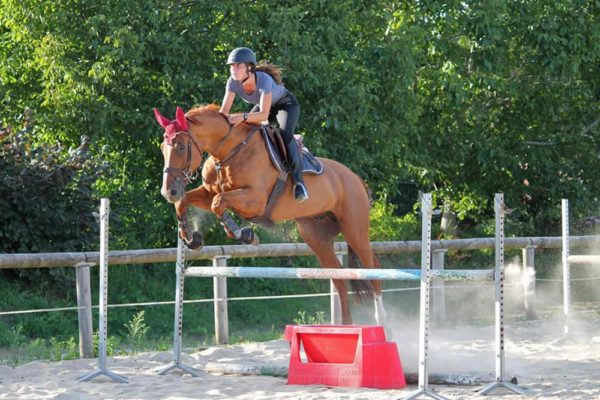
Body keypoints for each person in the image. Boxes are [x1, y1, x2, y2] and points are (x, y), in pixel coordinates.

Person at [219, 47, 309, 203]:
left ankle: (299, 182)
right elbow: (224, 112)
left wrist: (242, 116)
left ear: (249, 67)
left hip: (285, 104)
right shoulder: (232, 82)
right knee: (247, 131)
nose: (233, 69)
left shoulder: (264, 80)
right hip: (264, 107)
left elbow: (263, 115)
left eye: (238, 65)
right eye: (231, 66)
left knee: (284, 134)